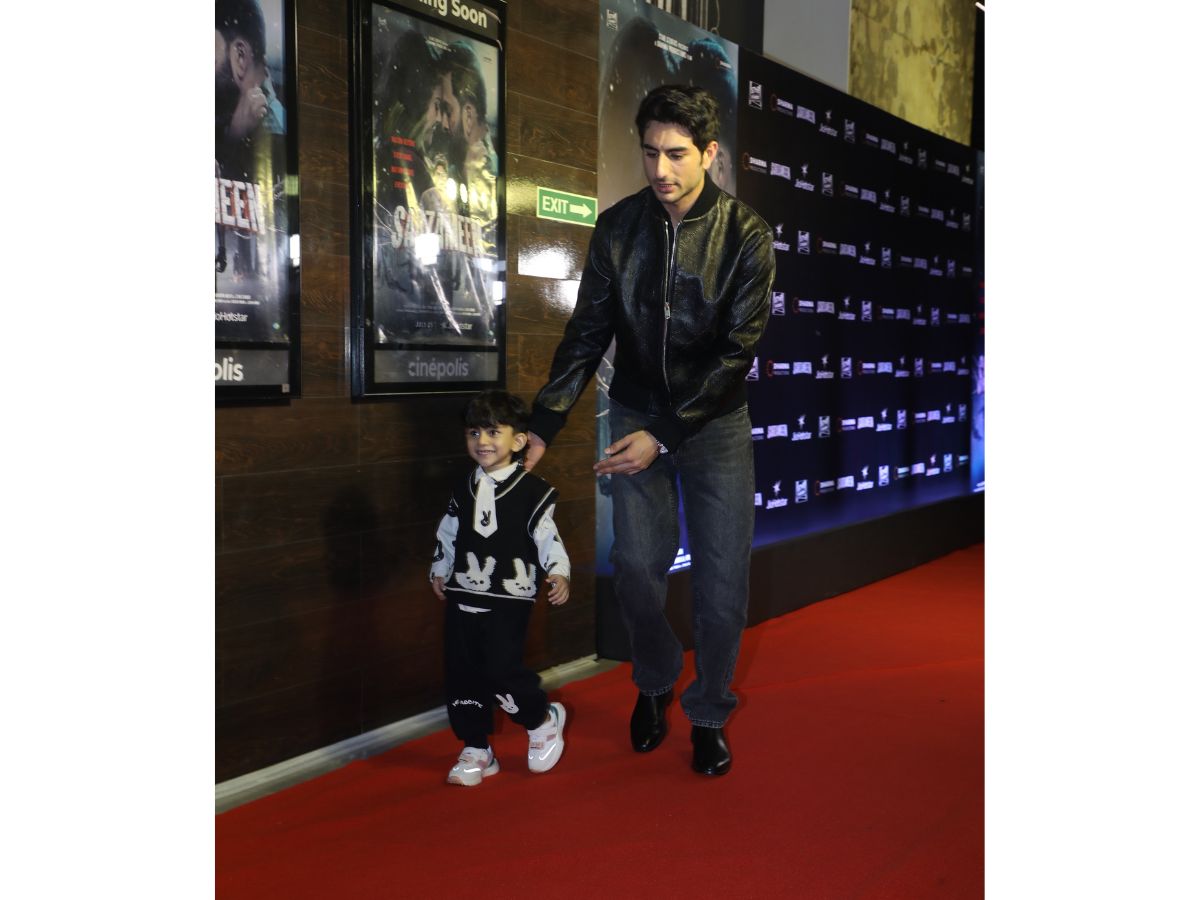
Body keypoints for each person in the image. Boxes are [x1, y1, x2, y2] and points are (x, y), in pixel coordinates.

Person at [525, 85, 776, 777]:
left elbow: (735, 357)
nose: (660, 169)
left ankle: (708, 711)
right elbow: (587, 332)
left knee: (722, 587)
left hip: (714, 426)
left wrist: (664, 433)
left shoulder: (747, 235)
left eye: (676, 154)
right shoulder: (618, 227)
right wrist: (545, 421)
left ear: (709, 153)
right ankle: (657, 676)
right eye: (649, 152)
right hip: (635, 413)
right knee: (635, 568)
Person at [430, 390, 572, 786]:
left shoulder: (532, 492)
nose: (482, 441)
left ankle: (540, 719)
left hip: (510, 596)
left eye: (494, 432)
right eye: (474, 432)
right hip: (463, 594)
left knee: (500, 669)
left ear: (520, 440)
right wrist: (440, 567)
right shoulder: (462, 488)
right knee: (461, 672)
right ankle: (477, 748)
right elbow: (448, 533)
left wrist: (559, 572)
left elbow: (548, 538)